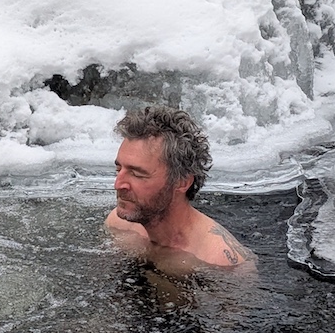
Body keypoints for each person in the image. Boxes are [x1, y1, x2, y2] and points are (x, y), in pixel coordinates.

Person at [106, 105, 254, 271]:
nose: (118, 184)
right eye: (119, 170)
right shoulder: (119, 225)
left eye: (138, 174)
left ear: (182, 182)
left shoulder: (221, 261)